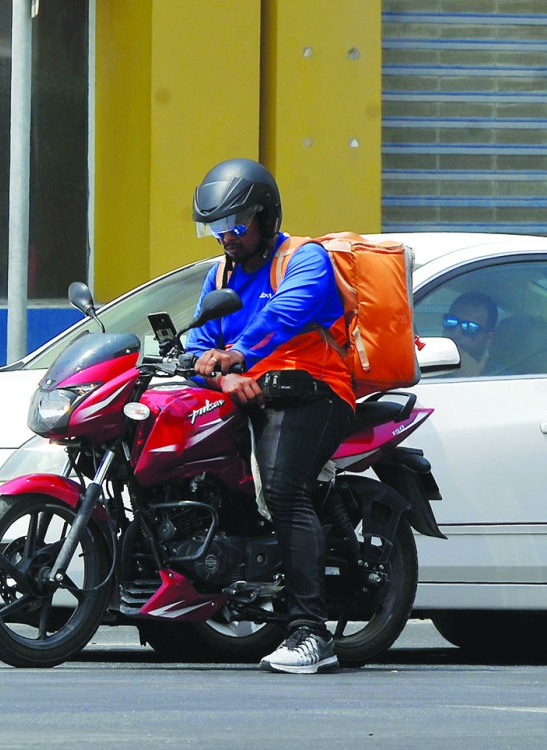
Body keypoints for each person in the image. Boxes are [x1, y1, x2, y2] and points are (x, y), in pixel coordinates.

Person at [184, 157, 355, 675]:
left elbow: (284, 315)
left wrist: (235, 355)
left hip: (316, 392)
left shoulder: (304, 259)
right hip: (251, 396)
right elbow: (197, 342)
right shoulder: (221, 272)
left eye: (235, 224)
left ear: (266, 216)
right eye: (215, 227)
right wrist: (217, 372)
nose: (225, 237)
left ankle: (310, 633)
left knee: (284, 490)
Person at [442, 291, 498, 377]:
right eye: (451, 322)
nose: (456, 332)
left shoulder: (504, 378)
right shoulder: (426, 368)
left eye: (469, 328)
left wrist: (473, 377)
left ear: (488, 339)